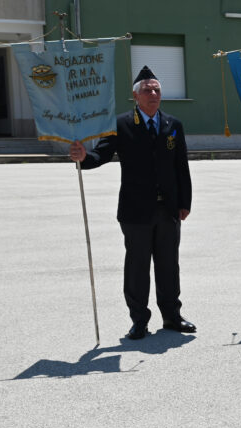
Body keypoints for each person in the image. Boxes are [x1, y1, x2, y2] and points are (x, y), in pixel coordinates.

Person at [69, 66, 194, 340]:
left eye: (157, 90)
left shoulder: (173, 124)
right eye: (147, 90)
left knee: (168, 265)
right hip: (136, 210)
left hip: (168, 209)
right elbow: (101, 155)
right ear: (136, 96)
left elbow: (181, 166)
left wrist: (185, 202)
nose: (153, 94)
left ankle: (172, 316)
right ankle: (139, 320)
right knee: (137, 267)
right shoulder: (121, 124)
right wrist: (83, 158)